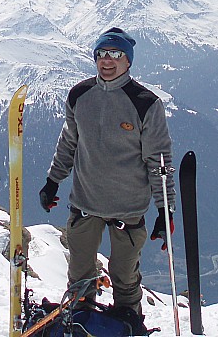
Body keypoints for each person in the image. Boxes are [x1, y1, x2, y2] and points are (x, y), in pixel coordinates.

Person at [38, 27, 176, 323]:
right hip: (85, 204)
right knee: (79, 276)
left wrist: (166, 210)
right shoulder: (80, 95)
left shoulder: (145, 103)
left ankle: (128, 324)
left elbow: (159, 161)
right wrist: (53, 181)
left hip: (127, 210)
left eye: (116, 54)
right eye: (102, 54)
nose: (107, 60)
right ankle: (81, 323)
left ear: (129, 61)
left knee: (125, 278)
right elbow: (69, 142)